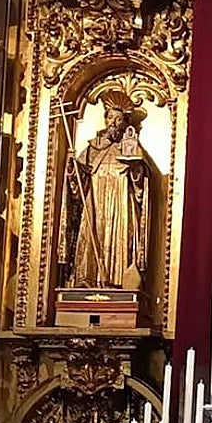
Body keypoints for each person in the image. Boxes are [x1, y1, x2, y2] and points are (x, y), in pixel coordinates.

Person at [58, 91, 151, 289]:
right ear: (105, 119)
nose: (114, 123)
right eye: (110, 117)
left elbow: (140, 186)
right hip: (96, 205)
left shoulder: (131, 148)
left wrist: (136, 168)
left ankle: (119, 283)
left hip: (120, 205)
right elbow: (77, 188)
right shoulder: (92, 149)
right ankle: (88, 280)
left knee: (120, 240)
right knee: (93, 242)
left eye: (119, 119)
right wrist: (73, 168)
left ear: (125, 124)